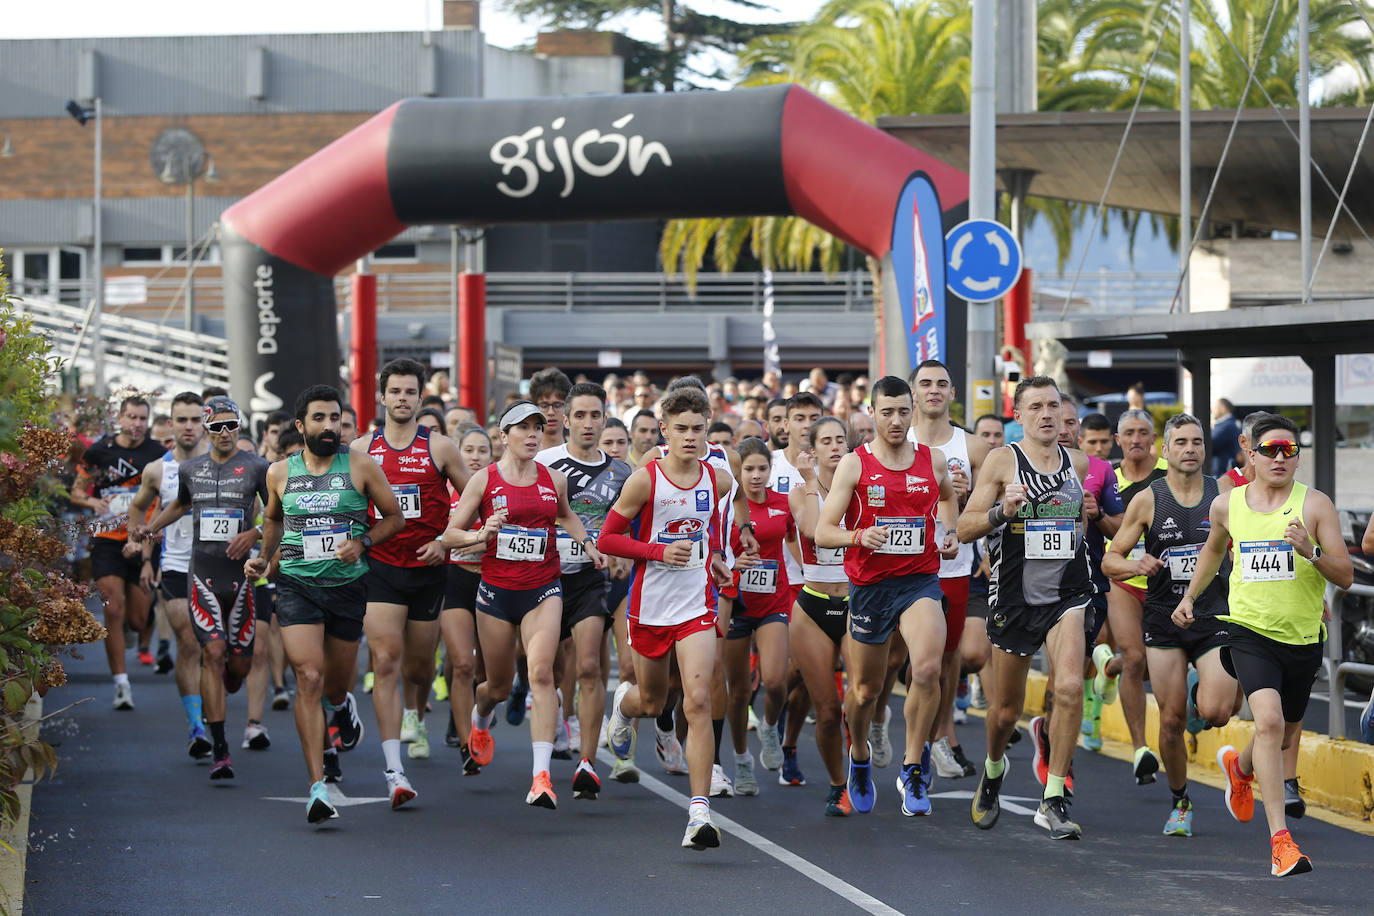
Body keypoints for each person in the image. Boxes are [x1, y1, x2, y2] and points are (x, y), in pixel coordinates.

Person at [1175, 414, 1351, 875]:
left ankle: (1241, 767)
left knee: (1284, 733)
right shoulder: (1227, 505)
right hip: (1248, 631)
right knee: (1269, 722)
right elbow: (1213, 550)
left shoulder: (1315, 506)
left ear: (1297, 457)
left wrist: (1310, 551)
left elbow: (1346, 575)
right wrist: (1190, 596)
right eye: (1269, 449)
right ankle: (1281, 842)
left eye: (1288, 451)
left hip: (1302, 637)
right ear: (1250, 454)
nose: (1279, 458)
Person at [244, 384, 405, 824]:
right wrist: (263, 559)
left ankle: (342, 706)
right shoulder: (280, 472)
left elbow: (395, 516)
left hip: (347, 587)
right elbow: (273, 519)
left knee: (335, 685)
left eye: (335, 418)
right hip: (296, 584)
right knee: (308, 676)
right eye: (320, 419)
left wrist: (363, 542)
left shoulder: (359, 465)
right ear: (301, 426)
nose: (330, 426)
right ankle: (317, 785)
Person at [442, 400, 604, 810]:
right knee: (495, 686)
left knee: (541, 673)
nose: (533, 434)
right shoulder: (483, 480)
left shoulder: (554, 479)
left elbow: (565, 516)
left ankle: (541, 777)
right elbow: (449, 535)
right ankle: (481, 721)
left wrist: (589, 545)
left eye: (537, 427)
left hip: (543, 588)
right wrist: (481, 534)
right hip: (496, 592)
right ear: (504, 435)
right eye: (523, 428)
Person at [815, 375, 959, 817]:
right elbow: (823, 532)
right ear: (872, 415)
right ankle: (859, 754)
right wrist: (859, 536)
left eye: (903, 411)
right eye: (887, 412)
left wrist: (948, 531)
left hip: (918, 582)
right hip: (870, 587)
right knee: (864, 690)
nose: (896, 420)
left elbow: (949, 499)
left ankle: (912, 766)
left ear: (912, 411)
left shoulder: (932, 461)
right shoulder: (854, 465)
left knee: (929, 667)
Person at [599, 385, 736, 849]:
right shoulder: (645, 480)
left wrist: (715, 553)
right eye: (681, 430)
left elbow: (714, 526)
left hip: (696, 603)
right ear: (664, 430)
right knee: (653, 702)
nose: (691, 438)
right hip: (650, 605)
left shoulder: (716, 478)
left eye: (699, 430)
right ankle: (623, 706)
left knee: (697, 699)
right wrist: (658, 550)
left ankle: (699, 813)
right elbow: (608, 538)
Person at [958, 375, 1094, 840]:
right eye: (1035, 406)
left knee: (1071, 686)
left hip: (1066, 593)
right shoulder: (1002, 461)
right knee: (1004, 712)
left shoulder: (1077, 461)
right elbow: (964, 527)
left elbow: (1077, 521)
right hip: (1015, 598)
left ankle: (1053, 797)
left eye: (1053, 405)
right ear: (1019, 416)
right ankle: (994, 769)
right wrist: (1003, 514)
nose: (1046, 414)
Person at [1103, 413, 1239, 837]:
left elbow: (1252, 544)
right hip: (1163, 618)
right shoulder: (1148, 498)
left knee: (1218, 711)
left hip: (1212, 613)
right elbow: (1110, 559)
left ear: (1205, 448)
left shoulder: (1225, 492)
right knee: (1170, 720)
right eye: (1180, 442)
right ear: (1166, 451)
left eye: (1197, 442)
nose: (1190, 449)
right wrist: (1133, 563)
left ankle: (1203, 691)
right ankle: (1181, 800)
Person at [353, 358, 473, 806]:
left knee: (419, 668)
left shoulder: (440, 448)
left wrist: (446, 540)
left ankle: (414, 713)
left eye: (410, 392)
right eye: (395, 391)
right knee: (385, 660)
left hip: (428, 570)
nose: (402, 399)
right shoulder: (362, 449)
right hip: (381, 565)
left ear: (419, 398)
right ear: (381, 397)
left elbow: (472, 498)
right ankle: (394, 770)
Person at [136, 396, 270, 779]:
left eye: (231, 425)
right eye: (217, 427)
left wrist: (255, 533)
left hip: (242, 577)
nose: (224, 433)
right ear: (208, 432)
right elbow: (180, 505)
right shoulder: (191, 469)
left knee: (239, 665)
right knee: (210, 652)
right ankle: (221, 749)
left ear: (240, 427)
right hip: (203, 573)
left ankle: (233, 674)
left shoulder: (258, 467)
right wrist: (151, 529)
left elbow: (279, 512)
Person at [536, 382, 632, 800]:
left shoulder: (621, 473)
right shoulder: (544, 463)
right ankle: (550, 720)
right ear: (566, 420)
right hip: (543, 576)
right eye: (581, 416)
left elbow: (627, 525)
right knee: (551, 671)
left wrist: (623, 552)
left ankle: (587, 762)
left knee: (590, 666)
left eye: (596, 415)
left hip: (590, 580)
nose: (589, 424)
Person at [907, 361, 991, 781]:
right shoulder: (894, 441)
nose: (934, 391)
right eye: (925, 384)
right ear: (912, 393)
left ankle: (935, 739)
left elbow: (992, 510)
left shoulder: (974, 448)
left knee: (942, 659)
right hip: (900, 568)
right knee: (900, 663)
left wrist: (967, 494)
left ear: (952, 393)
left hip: (953, 565)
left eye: (942, 384)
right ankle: (894, 734)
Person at [70, 394, 166, 710]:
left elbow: (168, 498)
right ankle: (121, 685)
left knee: (137, 621)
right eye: (132, 418)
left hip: (143, 539)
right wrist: (91, 502)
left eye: (142, 419)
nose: (137, 425)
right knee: (112, 608)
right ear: (120, 419)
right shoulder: (99, 452)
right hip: (107, 540)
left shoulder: (159, 454)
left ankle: (136, 623)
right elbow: (76, 492)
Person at [124, 392, 207, 754]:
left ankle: (213, 707)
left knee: (223, 655)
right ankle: (196, 725)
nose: (189, 426)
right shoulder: (157, 469)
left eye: (195, 419)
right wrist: (140, 550)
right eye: (182, 420)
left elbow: (253, 509)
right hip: (175, 567)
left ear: (204, 422)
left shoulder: (223, 464)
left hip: (218, 566)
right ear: (170, 424)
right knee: (189, 643)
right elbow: (138, 508)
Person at [1095, 408, 1166, 785]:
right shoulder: (1109, 477)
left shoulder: (1169, 474)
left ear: (1153, 439)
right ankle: (1141, 749)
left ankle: (1110, 668)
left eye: (1143, 432)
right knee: (1136, 657)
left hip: (1166, 583)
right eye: (1129, 433)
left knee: (1158, 663)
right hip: (1123, 578)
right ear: (1117, 440)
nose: (1136, 439)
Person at [789, 416, 854, 815]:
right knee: (827, 711)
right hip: (812, 604)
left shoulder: (862, 490)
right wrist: (811, 480)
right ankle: (837, 783)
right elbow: (813, 530)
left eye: (840, 440)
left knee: (862, 697)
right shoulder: (800, 492)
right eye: (825, 441)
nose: (834, 447)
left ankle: (861, 754)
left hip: (855, 603)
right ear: (813, 450)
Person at [725, 438, 795, 796]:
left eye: (762, 469)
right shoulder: (728, 509)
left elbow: (800, 542)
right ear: (738, 471)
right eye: (748, 469)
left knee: (776, 679)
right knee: (737, 692)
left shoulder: (784, 504)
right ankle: (741, 762)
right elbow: (714, 551)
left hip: (774, 601)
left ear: (771, 470)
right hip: (735, 603)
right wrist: (733, 564)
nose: (755, 476)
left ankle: (769, 726)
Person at [440, 426, 494, 771]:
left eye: (482, 451)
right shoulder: (445, 490)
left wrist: (472, 540)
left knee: (490, 677)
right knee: (462, 664)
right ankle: (466, 745)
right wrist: (478, 538)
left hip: (492, 582)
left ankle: (481, 721)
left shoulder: (500, 488)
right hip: (454, 581)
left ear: (492, 456)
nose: (474, 456)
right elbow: (442, 538)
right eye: (468, 450)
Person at [531, 367, 572, 451]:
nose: (551, 412)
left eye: (557, 405)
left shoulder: (576, 453)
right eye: (544, 405)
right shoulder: (526, 455)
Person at [1210, 399, 1243, 477]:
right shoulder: (1229, 424)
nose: (1212, 410)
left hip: (1221, 472)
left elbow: (1210, 444)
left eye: (1215, 407)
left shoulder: (1226, 426)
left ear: (1223, 408)